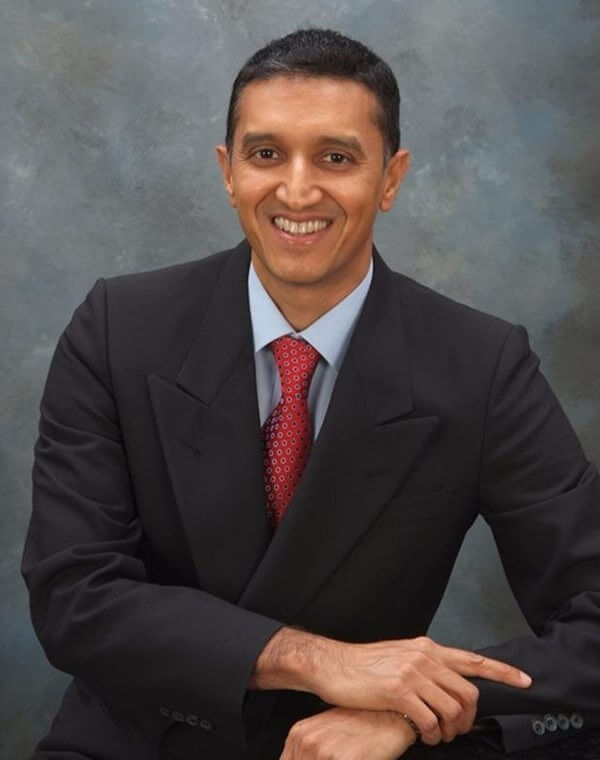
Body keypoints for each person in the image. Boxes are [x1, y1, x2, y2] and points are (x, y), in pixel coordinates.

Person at [21, 27, 600, 760]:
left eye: (336, 157)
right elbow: (74, 596)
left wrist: (416, 712)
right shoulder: (117, 328)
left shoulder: (481, 366)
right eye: (267, 154)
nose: (297, 190)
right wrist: (318, 659)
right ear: (228, 172)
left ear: (390, 178)